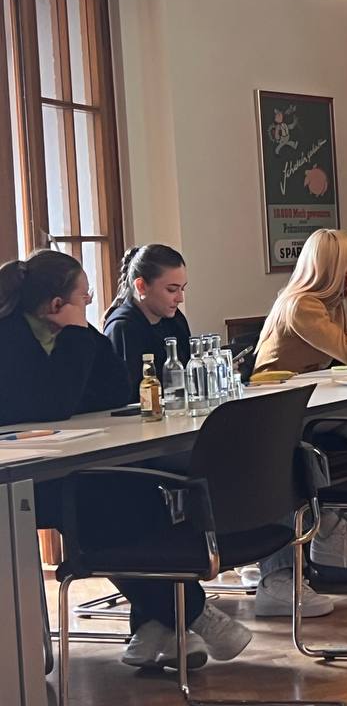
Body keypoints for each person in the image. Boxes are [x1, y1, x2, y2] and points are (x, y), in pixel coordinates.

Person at [0, 250, 250, 671]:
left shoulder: (70, 332)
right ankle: (193, 613)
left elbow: (116, 389)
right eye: (83, 296)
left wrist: (80, 336)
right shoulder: (10, 337)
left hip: (66, 462)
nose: (90, 302)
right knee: (100, 503)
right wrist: (75, 335)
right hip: (23, 479)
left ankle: (157, 625)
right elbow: (53, 404)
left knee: (136, 486)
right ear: (56, 304)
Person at [252, 227, 347, 616]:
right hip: (278, 411)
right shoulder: (300, 305)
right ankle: (325, 534)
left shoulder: (337, 302)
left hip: (317, 404)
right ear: (335, 266)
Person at [102, 244, 192, 389]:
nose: (180, 298)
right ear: (141, 286)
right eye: (171, 289)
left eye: (182, 288)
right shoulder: (122, 328)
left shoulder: (175, 320)